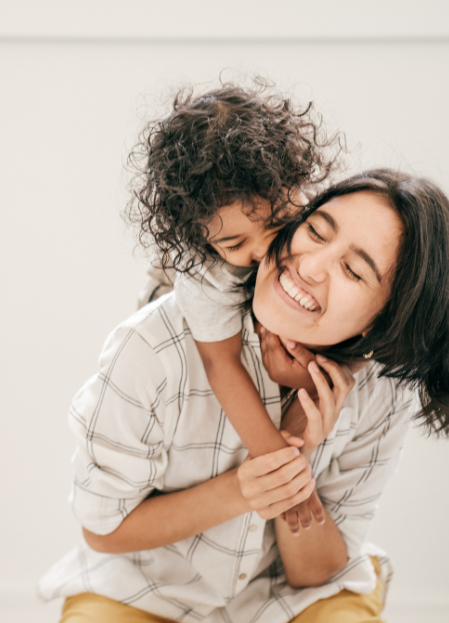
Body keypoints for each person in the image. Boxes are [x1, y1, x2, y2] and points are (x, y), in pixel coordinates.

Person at [38, 169, 449, 623]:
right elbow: (104, 531)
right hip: (143, 588)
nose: (309, 266)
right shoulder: (154, 346)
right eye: (314, 230)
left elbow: (317, 572)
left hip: (287, 598)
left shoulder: (382, 392)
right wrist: (247, 486)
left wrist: (301, 446)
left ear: (383, 321)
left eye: (352, 270)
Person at [126, 82, 340, 532]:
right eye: (235, 243)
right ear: (204, 240)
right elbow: (220, 364)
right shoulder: (206, 272)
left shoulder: (325, 218)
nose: (265, 250)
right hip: (170, 288)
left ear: (298, 186)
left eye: (280, 223)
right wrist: (281, 469)